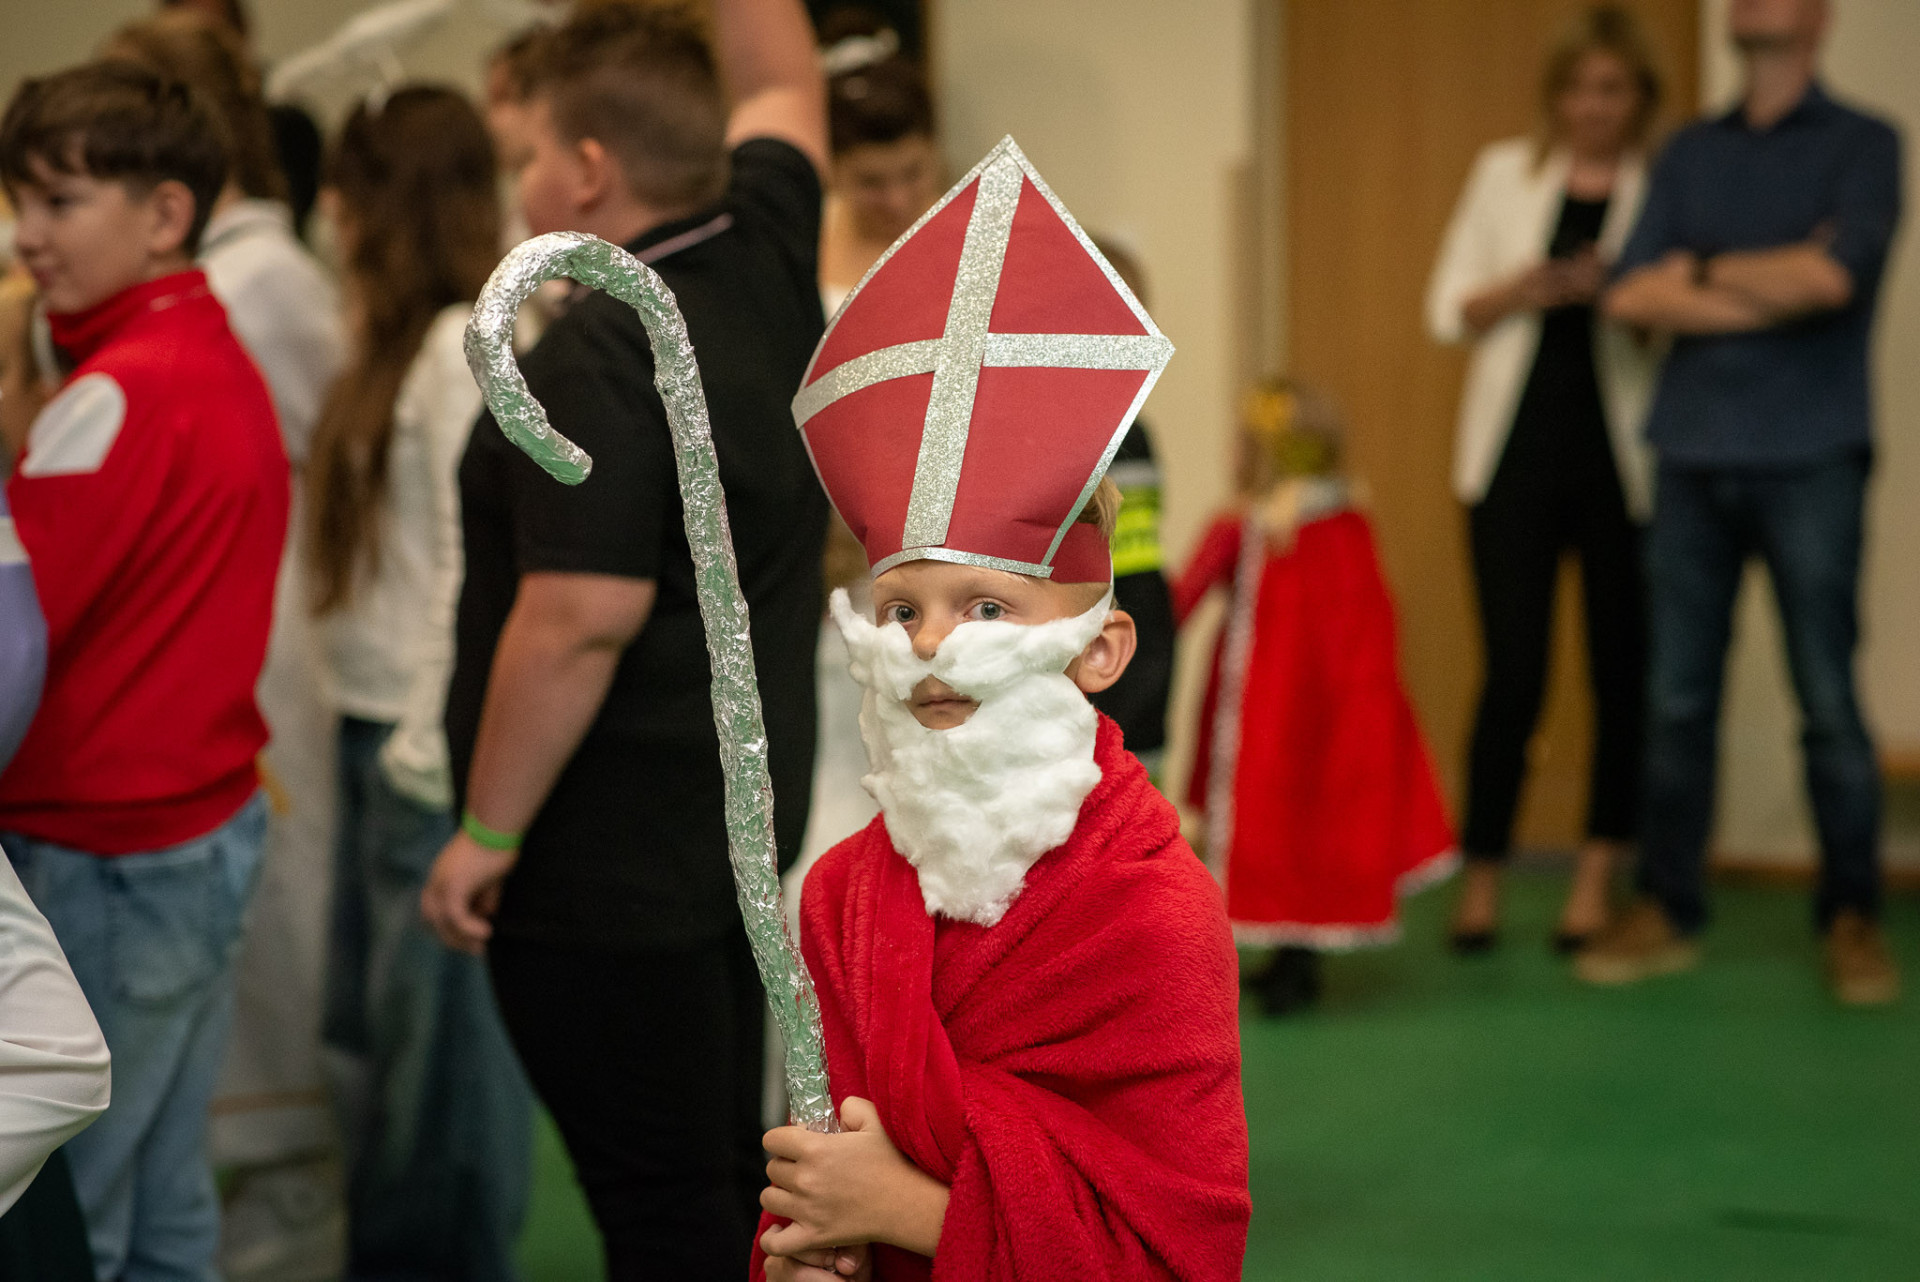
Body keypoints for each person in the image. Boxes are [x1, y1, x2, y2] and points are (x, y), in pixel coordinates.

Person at [753, 137, 1248, 1281]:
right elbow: (817, 1179)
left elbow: (1178, 1253)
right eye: (902, 609)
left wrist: (914, 1210)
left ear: (1098, 651)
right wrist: (809, 1248)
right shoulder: (840, 898)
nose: (933, 643)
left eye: (985, 606)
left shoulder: (1157, 914)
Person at [418, 3, 831, 1276]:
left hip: (602, 870)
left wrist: (487, 834)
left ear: (590, 169)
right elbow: (785, 79)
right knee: (720, 1182)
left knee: (667, 1209)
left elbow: (579, 622)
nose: (523, 188)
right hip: (728, 845)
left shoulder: (598, 348)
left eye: (531, 156)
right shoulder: (764, 246)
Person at [0, 61, 288, 1281]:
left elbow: (13, 626)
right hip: (194, 833)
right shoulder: (203, 348)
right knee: (166, 1204)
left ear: (166, 213)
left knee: (88, 1217)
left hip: (111, 854)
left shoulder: (116, 392)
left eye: (59, 202)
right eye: (21, 200)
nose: (26, 235)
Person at [1584, 0, 1903, 1005]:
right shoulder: (1688, 151)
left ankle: (1851, 915)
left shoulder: (1865, 145)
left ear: (1819, 16)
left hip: (1814, 457)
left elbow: (1832, 279)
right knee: (1676, 701)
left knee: (1827, 699)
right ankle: (1668, 906)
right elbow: (1628, 294)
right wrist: (1769, 282)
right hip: (1689, 456)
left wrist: (1705, 271)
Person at [100, 20, 350, 1271]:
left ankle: (287, 1188)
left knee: (276, 914)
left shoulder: (259, 282)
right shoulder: (234, 273)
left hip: (269, 614)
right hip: (229, 608)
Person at [306, 87, 532, 1280]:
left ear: (390, 204)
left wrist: (429, 751)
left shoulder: (457, 347)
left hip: (421, 744)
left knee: (438, 1078)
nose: (330, 216)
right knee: (380, 1049)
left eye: (349, 193)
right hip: (375, 725)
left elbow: (472, 565)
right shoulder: (395, 340)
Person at [1425, 4, 1663, 954]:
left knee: (1619, 675)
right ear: (1556, 97)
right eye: (1577, 89)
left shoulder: (1662, 186)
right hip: (1513, 464)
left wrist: (1620, 294)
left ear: (1639, 98)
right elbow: (1448, 309)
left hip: (1624, 469)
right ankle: (1483, 873)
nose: (1593, 107)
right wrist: (1526, 288)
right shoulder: (1504, 174)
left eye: (1611, 89)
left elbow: (1676, 323)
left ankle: (1596, 877)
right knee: (1513, 675)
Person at [1175, 379, 1456, 1016]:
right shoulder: (1345, 525)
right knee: (1300, 827)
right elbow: (1374, 623)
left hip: (1270, 714)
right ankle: (1291, 957)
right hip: (1323, 711)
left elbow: (1181, 600)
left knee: (1277, 824)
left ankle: (1293, 961)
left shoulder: (1248, 526)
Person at [1087, 237, 1177, 775]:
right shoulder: (1068, 435)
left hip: (1146, 623)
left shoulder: (1138, 433)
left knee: (1143, 772)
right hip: (1095, 620)